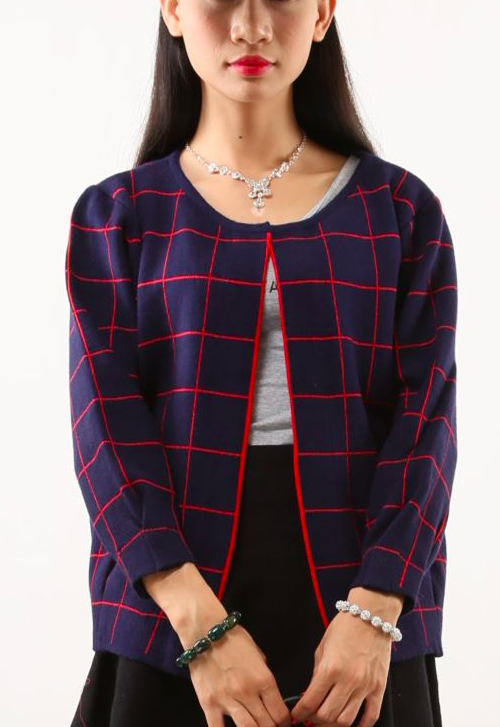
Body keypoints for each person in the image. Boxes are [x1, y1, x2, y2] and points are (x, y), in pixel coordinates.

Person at [66, 1, 457, 726]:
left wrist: (376, 607)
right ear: (174, 9)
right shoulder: (119, 215)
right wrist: (199, 626)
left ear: (323, 12)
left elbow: (427, 423)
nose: (251, 26)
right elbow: (106, 431)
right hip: (171, 606)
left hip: (361, 611)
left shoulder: (400, 211)